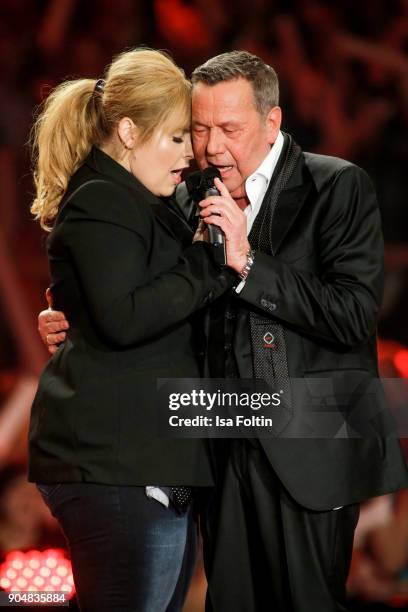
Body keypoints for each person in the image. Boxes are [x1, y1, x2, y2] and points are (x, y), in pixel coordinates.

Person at [39, 50, 408, 612]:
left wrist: (249, 263)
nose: (210, 147)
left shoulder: (337, 186)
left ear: (272, 121)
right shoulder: (185, 194)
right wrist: (72, 313)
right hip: (217, 444)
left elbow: (354, 314)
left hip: (310, 445)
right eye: (201, 129)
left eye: (229, 130)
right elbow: (132, 283)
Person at [28, 48, 246, 612]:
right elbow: (125, 316)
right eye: (176, 138)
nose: (189, 155)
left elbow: (118, 298)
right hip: (117, 463)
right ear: (127, 130)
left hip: (142, 461)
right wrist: (210, 263)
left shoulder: (137, 202)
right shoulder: (103, 200)